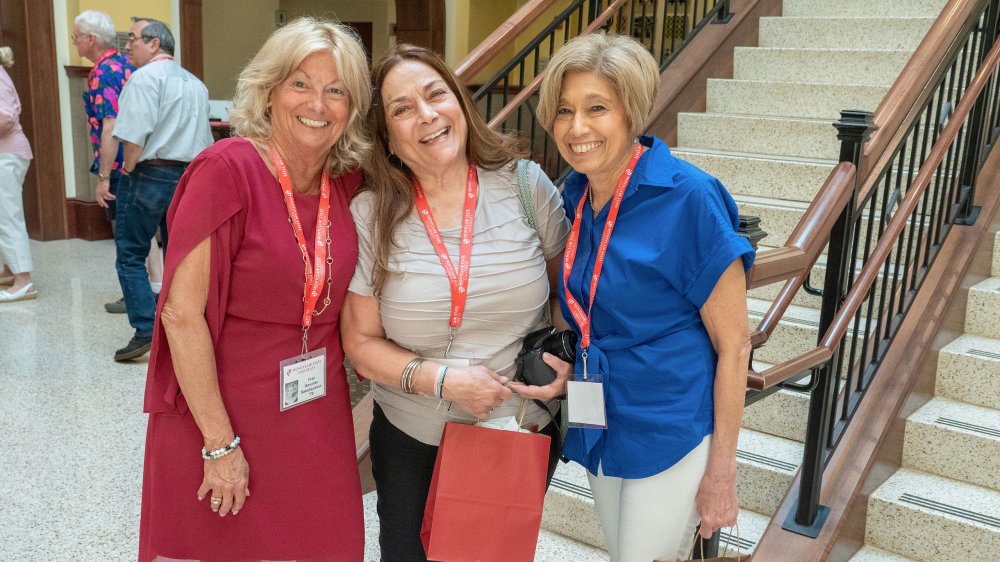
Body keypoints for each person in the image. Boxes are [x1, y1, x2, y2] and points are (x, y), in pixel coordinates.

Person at [137, 17, 371, 561]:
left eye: (336, 90)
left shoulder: (348, 181)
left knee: (327, 543)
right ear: (269, 91)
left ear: (353, 106)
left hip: (315, 410)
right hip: (221, 410)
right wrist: (220, 444)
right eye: (300, 84)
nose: (317, 103)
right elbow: (180, 315)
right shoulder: (227, 170)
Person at [341, 44, 571, 560]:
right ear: (387, 136)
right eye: (402, 108)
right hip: (411, 436)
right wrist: (444, 381)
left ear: (460, 103)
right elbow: (360, 344)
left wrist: (564, 363)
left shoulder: (525, 186)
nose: (426, 115)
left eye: (436, 94)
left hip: (515, 428)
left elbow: (565, 296)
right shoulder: (371, 213)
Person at [535, 32, 754, 562]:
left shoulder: (689, 197)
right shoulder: (575, 193)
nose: (577, 128)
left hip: (668, 423)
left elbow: (735, 345)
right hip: (601, 414)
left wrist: (722, 472)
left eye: (597, 108)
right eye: (564, 110)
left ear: (631, 111)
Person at [112, 17, 212, 361]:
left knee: (130, 252)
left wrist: (127, 173)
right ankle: (179, 324)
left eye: (133, 39)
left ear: (155, 44)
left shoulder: (143, 78)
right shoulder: (196, 83)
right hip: (190, 177)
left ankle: (145, 329)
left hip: (150, 173)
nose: (127, 46)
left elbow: (133, 138)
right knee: (179, 256)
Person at [71, 10, 161, 315]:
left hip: (123, 163)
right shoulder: (125, 64)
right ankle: (154, 287)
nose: (74, 42)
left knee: (128, 235)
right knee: (143, 230)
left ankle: (139, 294)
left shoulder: (105, 71)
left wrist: (104, 177)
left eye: (76, 37)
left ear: (91, 39)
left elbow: (110, 125)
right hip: (140, 157)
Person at [0, 46, 36, 303]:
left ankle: (24, 280)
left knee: (8, 216)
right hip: (7, 154)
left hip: (8, 155)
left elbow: (6, 117)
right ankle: (9, 270)